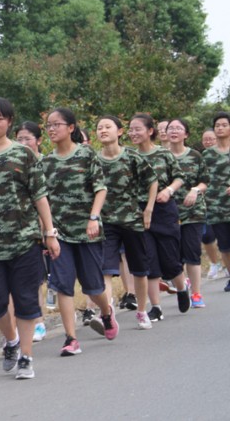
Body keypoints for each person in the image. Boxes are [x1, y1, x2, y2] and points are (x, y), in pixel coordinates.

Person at [0, 97, 60, 380]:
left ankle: (26, 357)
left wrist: (49, 233)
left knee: (26, 300)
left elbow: (39, 195)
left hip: (25, 241)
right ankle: (12, 340)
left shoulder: (23, 154)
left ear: (9, 122)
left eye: (0, 119)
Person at [41, 108, 118, 356]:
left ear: (71, 128)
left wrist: (93, 217)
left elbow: (101, 189)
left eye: (57, 124)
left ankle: (106, 313)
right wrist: (47, 232)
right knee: (63, 286)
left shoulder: (86, 155)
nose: (52, 129)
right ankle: (71, 338)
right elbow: (42, 199)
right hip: (60, 233)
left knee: (93, 288)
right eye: (48, 125)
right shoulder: (46, 162)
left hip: (88, 232)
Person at [95, 115, 157, 329]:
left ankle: (141, 311)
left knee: (139, 269)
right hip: (106, 223)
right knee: (106, 269)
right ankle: (108, 311)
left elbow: (152, 181)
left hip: (132, 221)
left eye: (107, 126)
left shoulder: (131, 157)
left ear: (119, 132)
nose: (103, 130)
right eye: (99, 127)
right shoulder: (94, 160)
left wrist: (148, 209)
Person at [128, 113, 190, 319]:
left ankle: (182, 288)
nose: (133, 133)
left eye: (138, 129)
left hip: (163, 210)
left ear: (150, 131)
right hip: (139, 211)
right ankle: (156, 307)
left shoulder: (163, 154)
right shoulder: (129, 156)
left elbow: (180, 176)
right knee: (149, 261)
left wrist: (169, 190)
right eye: (130, 129)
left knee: (170, 260)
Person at [165, 118, 208, 308]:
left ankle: (197, 293)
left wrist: (195, 190)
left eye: (178, 128)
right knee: (173, 257)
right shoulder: (161, 156)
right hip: (168, 214)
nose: (174, 131)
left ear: (186, 134)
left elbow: (205, 181)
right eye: (170, 128)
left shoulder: (195, 156)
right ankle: (183, 286)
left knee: (192, 253)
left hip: (193, 212)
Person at [15, 122, 51, 342]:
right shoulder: (14, 162)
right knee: (26, 279)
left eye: (27, 138)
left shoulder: (47, 163)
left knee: (36, 279)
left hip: (47, 227)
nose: (23, 143)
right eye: (18, 139)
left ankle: (38, 321)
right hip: (23, 229)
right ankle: (27, 322)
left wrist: (48, 229)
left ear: (39, 140)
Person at [202, 111, 230, 292]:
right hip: (216, 207)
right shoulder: (207, 155)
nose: (220, 128)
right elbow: (201, 179)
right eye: (217, 125)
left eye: (224, 125)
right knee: (225, 246)